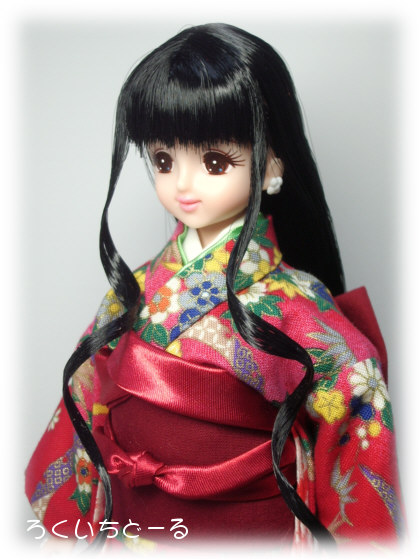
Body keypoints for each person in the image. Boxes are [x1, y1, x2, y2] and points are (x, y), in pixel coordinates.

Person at [25, 23, 402, 549]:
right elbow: (86, 393)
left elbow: (358, 396)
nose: (183, 184)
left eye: (214, 162)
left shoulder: (293, 304)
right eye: (163, 160)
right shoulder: (136, 290)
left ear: (271, 162)